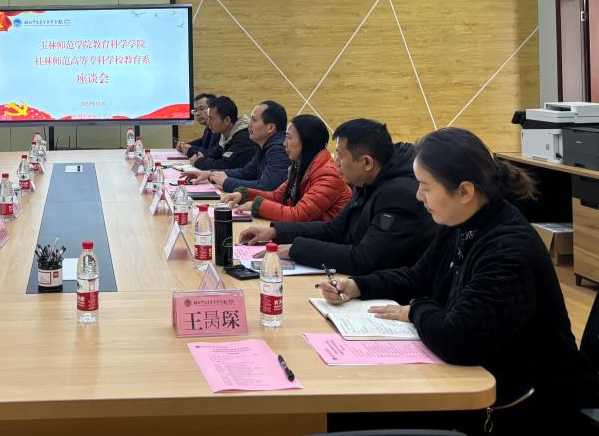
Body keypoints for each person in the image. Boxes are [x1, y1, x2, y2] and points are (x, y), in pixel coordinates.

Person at [319, 128, 599, 432]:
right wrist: (359, 285)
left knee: (349, 415)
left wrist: (415, 310)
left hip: (529, 409)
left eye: (426, 187)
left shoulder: (508, 250)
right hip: (480, 385)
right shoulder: (462, 222)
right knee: (343, 407)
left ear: (464, 192)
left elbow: (457, 339)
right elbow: (417, 277)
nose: (418, 196)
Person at [239, 118, 435, 273]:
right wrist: (276, 232)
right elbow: (335, 229)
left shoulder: (399, 195)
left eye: (340, 156)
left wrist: (296, 249)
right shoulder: (368, 180)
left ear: (367, 162)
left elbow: (364, 259)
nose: (336, 162)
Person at [221, 114, 350, 222]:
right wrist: (244, 194)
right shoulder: (300, 165)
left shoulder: (328, 174)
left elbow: (298, 215)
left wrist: (258, 205)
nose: (284, 144)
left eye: (288, 138)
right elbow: (278, 196)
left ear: (306, 141)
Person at [194, 101, 289, 193]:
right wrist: (211, 174)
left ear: (270, 128)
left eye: (254, 120)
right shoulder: (263, 145)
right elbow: (246, 172)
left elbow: (266, 187)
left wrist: (227, 182)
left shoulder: (279, 149)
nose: (249, 124)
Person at [189, 96, 257, 171]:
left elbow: (225, 165)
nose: (208, 123)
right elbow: (214, 154)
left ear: (227, 120)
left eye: (211, 118)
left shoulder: (244, 137)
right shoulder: (225, 133)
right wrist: (200, 156)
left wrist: (199, 161)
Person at [175, 93, 218, 158]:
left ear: (213, 109)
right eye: (195, 110)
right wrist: (185, 145)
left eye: (201, 109)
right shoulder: (208, 129)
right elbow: (202, 142)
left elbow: (213, 154)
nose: (197, 114)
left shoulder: (220, 129)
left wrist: (190, 149)